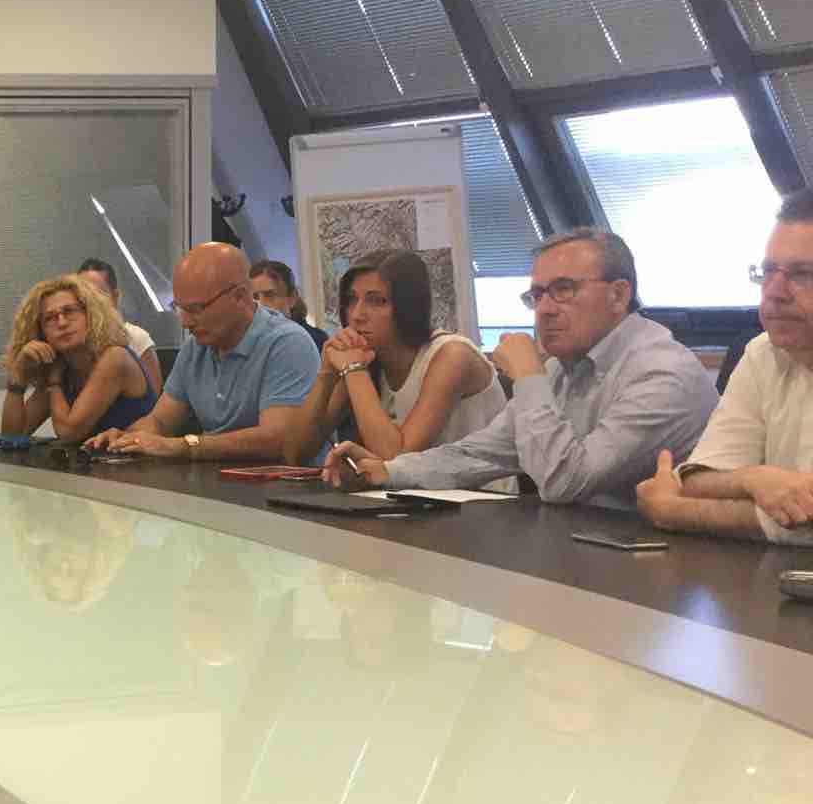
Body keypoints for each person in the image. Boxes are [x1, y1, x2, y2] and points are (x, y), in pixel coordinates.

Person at [328, 229, 718, 507]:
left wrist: (529, 377)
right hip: (592, 551)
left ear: (618, 295)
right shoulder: (565, 367)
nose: (544, 309)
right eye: (537, 294)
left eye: (563, 290)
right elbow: (479, 455)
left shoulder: (662, 373)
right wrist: (385, 472)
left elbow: (566, 482)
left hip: (674, 573)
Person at [636, 191, 813, 542]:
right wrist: (752, 478)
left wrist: (670, 510)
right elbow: (699, 479)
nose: (774, 292)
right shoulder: (764, 352)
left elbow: (805, 526)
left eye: (803, 273)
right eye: (768, 272)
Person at [86, 243, 318, 462]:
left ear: (239, 296)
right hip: (221, 480)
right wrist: (126, 438)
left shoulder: (287, 343)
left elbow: (277, 439)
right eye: (179, 308)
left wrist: (186, 446)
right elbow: (160, 421)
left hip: (283, 486)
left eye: (196, 309)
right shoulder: (196, 346)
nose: (185, 322)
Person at [287, 250, 505, 468]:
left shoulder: (453, 355)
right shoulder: (367, 356)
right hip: (418, 489)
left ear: (409, 307)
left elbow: (396, 461)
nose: (356, 315)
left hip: (478, 489)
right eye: (351, 299)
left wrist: (354, 369)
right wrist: (326, 374)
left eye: (377, 301)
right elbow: (295, 453)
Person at [0, 274, 156, 444]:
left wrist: (54, 383)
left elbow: (69, 433)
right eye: (49, 318)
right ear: (41, 332)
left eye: (69, 311)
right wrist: (17, 378)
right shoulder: (61, 368)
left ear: (91, 315)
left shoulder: (115, 358)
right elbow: (12, 437)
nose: (62, 323)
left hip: (142, 459)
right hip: (99, 460)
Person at [76, 257, 164, 395]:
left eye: (99, 294)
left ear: (115, 296)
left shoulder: (136, 338)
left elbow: (153, 399)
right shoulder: (72, 338)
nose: (92, 302)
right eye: (84, 295)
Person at [250, 259, 328, 350]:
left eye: (269, 296)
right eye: (255, 297)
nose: (260, 305)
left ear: (292, 298)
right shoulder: (249, 340)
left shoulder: (315, 341)